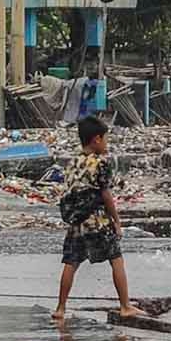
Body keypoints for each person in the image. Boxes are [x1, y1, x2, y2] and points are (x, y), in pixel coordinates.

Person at [54, 115, 146, 321]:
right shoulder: (101, 163)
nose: (106, 144)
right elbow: (106, 195)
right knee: (116, 258)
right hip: (97, 221)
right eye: (105, 139)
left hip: (76, 222)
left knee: (71, 262)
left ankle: (60, 308)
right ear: (96, 139)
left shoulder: (72, 162)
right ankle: (125, 306)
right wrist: (116, 221)